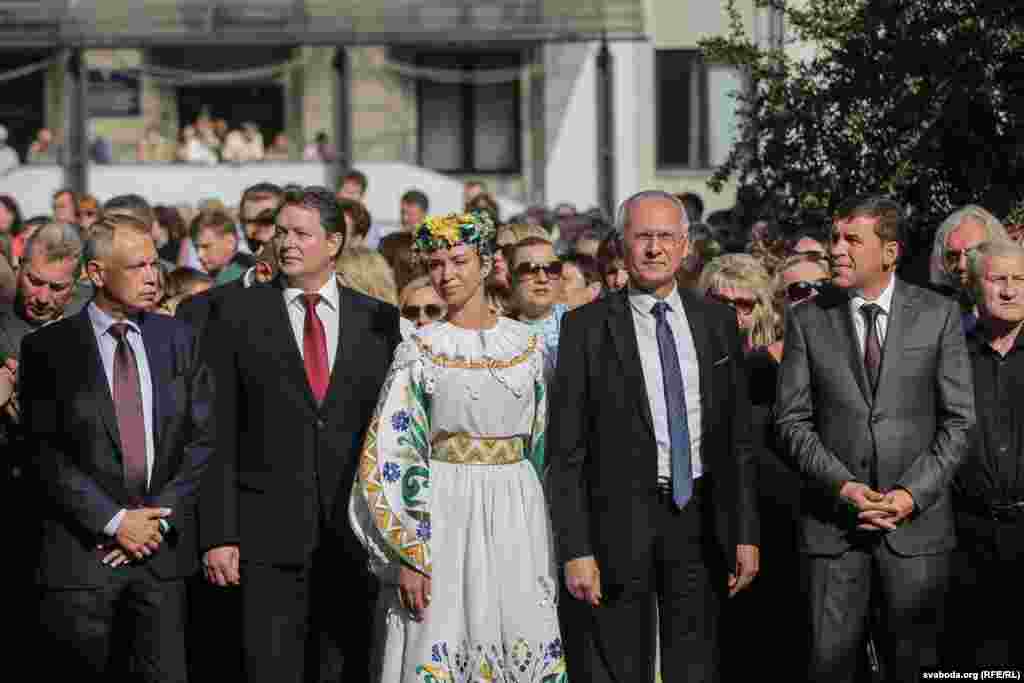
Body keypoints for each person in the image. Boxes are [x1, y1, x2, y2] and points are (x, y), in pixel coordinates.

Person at [549, 190, 759, 682]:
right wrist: (576, 549)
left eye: (666, 236)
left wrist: (745, 533)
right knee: (622, 663)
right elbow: (566, 452)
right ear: (621, 246)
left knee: (696, 663)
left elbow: (737, 441)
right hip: (618, 524)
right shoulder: (586, 328)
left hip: (700, 518)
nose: (654, 248)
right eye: (642, 237)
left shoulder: (717, 322)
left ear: (685, 245)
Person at [349, 211, 566, 682]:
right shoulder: (420, 348)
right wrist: (410, 552)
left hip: (517, 513)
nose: (446, 275)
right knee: (441, 633)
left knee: (521, 630)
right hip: (444, 511)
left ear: (487, 264)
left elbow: (547, 446)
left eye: (459, 261)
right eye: (437, 264)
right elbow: (393, 452)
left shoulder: (527, 347)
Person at [200, 186, 401, 683]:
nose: (286, 243)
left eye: (300, 234)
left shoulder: (378, 320)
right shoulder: (236, 315)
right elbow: (217, 429)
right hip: (265, 536)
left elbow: (392, 433)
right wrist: (219, 533)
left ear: (333, 243)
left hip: (352, 536)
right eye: (281, 232)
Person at [775, 195, 975, 682]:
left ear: (890, 252)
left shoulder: (938, 314)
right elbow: (791, 422)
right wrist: (843, 487)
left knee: (914, 668)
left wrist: (910, 494)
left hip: (916, 535)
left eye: (852, 240)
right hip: (833, 532)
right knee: (829, 669)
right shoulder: (808, 318)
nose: (837, 250)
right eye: (835, 238)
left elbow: (959, 421)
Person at [22, 214, 214, 681]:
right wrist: (114, 521)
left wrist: (154, 521)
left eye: (154, 263)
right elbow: (44, 453)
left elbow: (202, 439)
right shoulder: (50, 349)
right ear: (96, 273)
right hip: (82, 561)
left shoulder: (178, 339)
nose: (152, 276)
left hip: (160, 559)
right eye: (136, 266)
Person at [947, 239, 1024, 669]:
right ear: (977, 286)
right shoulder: (951, 352)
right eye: (999, 280)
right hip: (966, 538)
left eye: (1020, 280)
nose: (1010, 290)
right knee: (974, 666)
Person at [507, 235, 568, 379]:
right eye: (528, 270)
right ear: (510, 280)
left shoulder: (586, 327)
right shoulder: (495, 337)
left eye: (552, 268)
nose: (542, 278)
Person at [191, 209, 255, 286]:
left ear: (230, 242)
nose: (199, 255)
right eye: (196, 248)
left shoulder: (239, 281)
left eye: (206, 246)